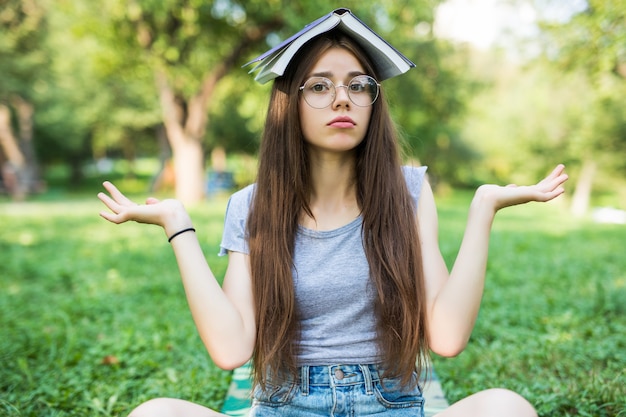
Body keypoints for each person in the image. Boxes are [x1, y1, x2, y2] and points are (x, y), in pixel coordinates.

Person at [98, 9, 568, 417]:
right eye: (319, 86)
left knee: (508, 406)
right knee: (153, 411)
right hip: (286, 405)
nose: (342, 98)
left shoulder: (408, 191)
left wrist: (483, 209)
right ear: (289, 104)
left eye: (358, 85)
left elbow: (445, 338)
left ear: (372, 103)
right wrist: (177, 224)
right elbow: (230, 348)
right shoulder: (251, 205)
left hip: (388, 404)